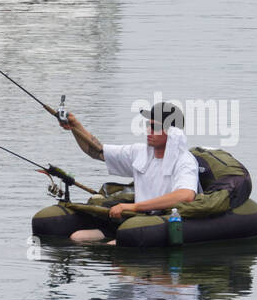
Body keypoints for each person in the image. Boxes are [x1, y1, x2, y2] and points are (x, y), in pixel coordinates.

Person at [59, 102, 199, 244]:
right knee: (77, 237)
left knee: (113, 245)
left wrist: (134, 206)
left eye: (155, 127)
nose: (149, 130)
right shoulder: (139, 152)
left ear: (172, 132)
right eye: (148, 125)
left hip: (161, 221)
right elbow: (97, 152)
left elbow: (185, 195)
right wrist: (74, 125)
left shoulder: (185, 160)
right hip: (134, 219)